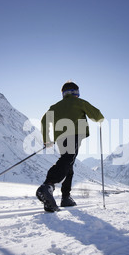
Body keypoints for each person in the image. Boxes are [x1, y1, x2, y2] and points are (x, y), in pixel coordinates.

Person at [36, 81, 104, 212]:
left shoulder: (55, 106)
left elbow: (44, 120)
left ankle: (65, 198)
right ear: (75, 93)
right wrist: (99, 119)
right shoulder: (79, 102)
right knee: (67, 160)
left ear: (63, 94)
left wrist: (46, 139)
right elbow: (97, 115)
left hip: (60, 138)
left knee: (68, 164)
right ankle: (48, 185)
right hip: (74, 134)